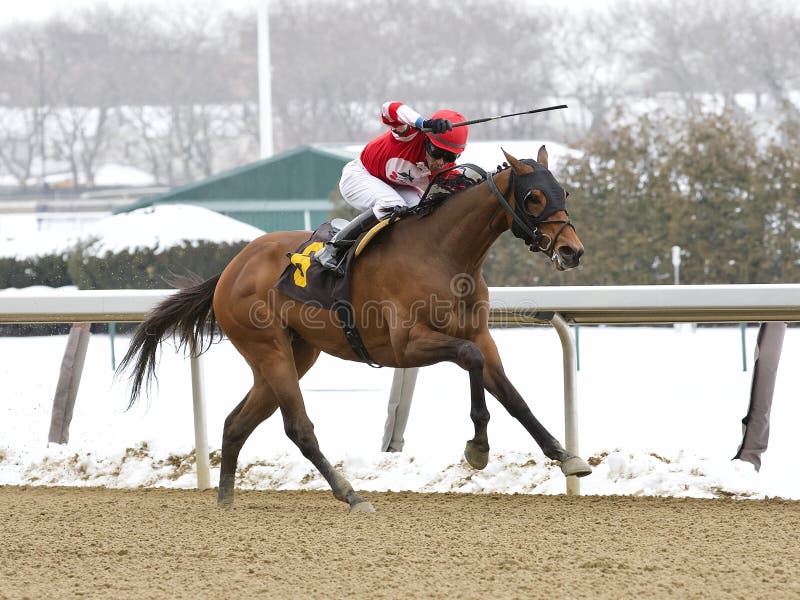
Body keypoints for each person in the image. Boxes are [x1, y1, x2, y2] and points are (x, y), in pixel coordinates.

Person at [314, 101, 469, 274]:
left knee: (421, 212)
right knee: (393, 204)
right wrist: (423, 123)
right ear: (426, 139)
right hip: (359, 176)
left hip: (393, 186)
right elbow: (388, 108)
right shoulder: (408, 135)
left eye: (449, 156)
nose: (441, 162)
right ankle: (332, 248)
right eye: (437, 152)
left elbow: (466, 192)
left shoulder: (446, 170)